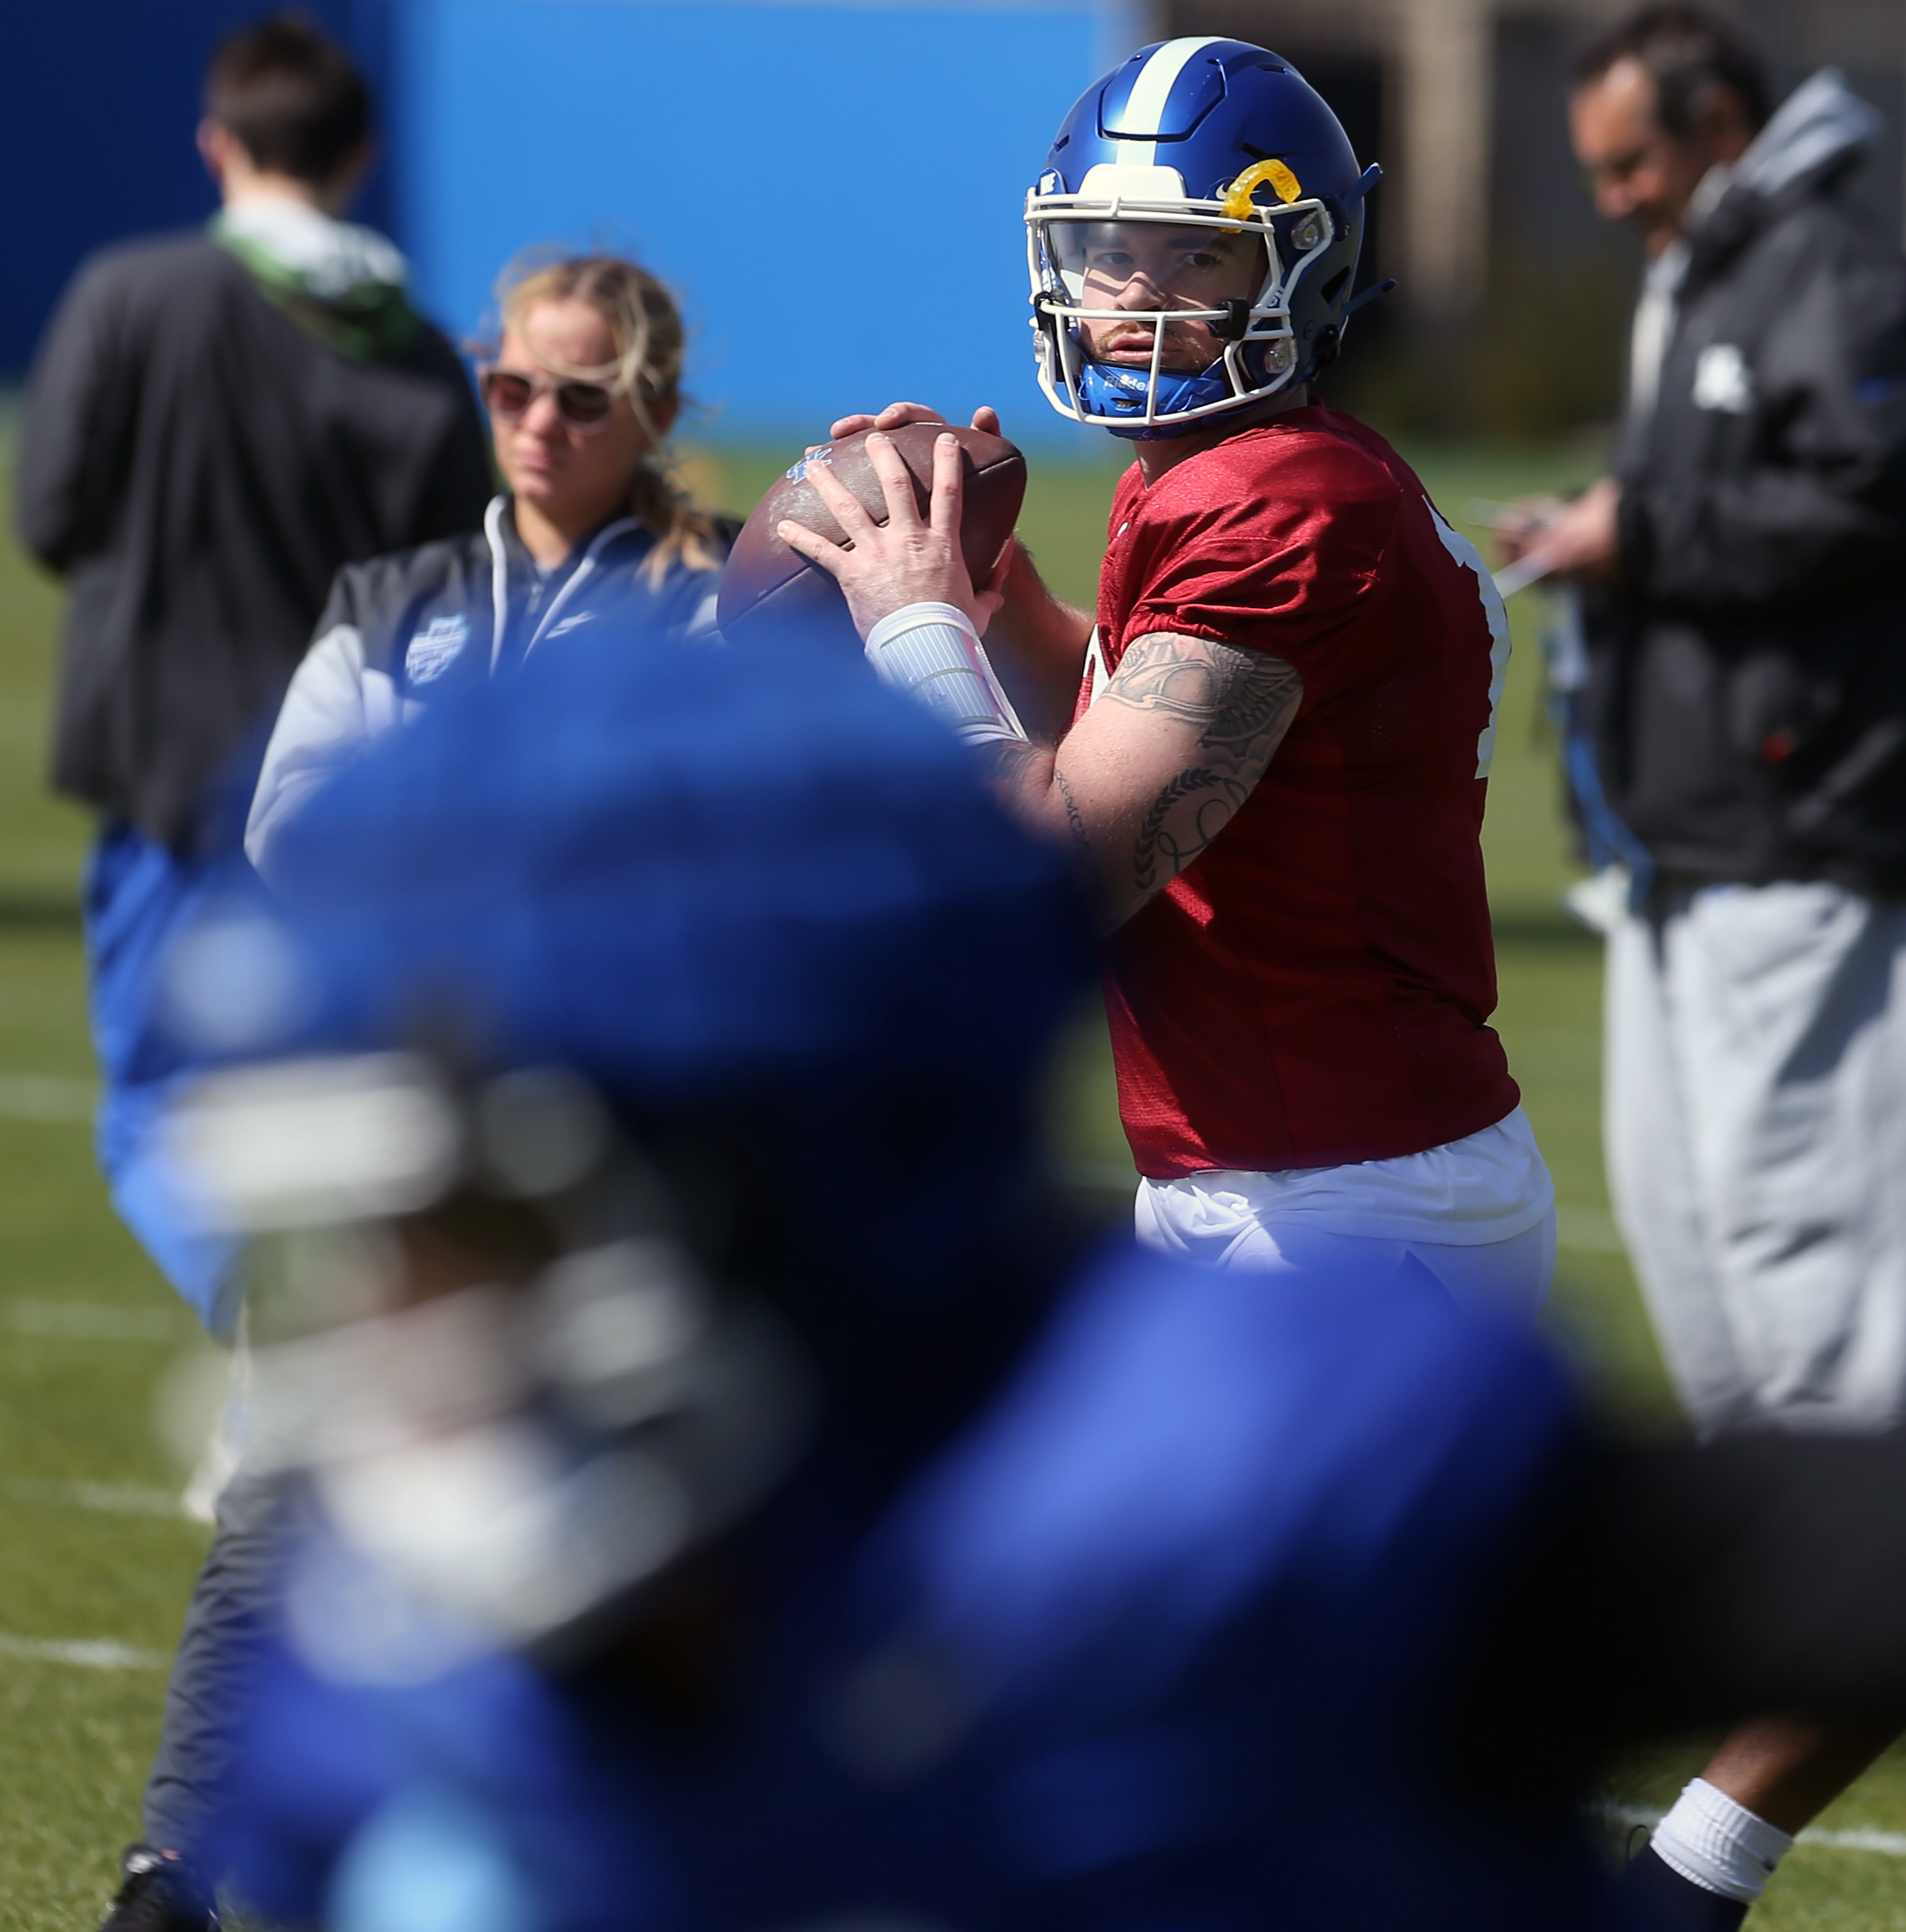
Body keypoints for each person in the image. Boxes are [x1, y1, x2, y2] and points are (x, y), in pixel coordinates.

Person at [141, 622, 1906, 1932]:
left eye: (459, 1229)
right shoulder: (381, 1645)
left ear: (773, 1191)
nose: (392, 1320)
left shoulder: (1232, 1504)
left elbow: (1795, 1561)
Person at [779, 37, 1555, 1319]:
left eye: (1196, 253)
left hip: (1344, 1199)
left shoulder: (1283, 508)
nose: (1132, 295)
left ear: (1304, 269)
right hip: (1280, 1179)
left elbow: (1057, 869)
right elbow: (1133, 715)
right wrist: (998, 604)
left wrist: (917, 628)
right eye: (1106, 250)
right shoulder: (1228, 475)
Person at [1491, 7, 1906, 1923]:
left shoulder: (1839, 241)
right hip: (1677, 858)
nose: (1609, 202)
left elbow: (1864, 493)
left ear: (1719, 120)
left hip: (1800, 846)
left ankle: (1701, 1858)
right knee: (1735, 1357)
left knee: (1838, 1391)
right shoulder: (1720, 255)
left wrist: (1635, 527)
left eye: (1627, 164)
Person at [14, 12, 491, 1329]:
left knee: (162, 1113)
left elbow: (49, 516)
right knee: (347, 1107)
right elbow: (459, 590)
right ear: (362, 151)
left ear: (217, 145)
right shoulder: (422, 353)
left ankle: (281, 1347)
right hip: (356, 794)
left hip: (165, 777)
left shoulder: (130, 293)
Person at [245, 250, 732, 880]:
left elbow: (729, 822)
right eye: (513, 390)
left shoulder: (726, 592)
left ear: (656, 418)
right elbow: (284, 825)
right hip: (413, 973)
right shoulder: (382, 597)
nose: (538, 424)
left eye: (583, 399)